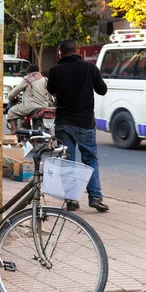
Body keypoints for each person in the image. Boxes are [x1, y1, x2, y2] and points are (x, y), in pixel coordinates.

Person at [47, 39, 109, 212]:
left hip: (63, 123)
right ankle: (95, 197)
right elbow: (102, 90)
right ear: (78, 50)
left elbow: (51, 90)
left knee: (68, 161)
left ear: (60, 52)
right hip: (85, 123)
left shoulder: (55, 71)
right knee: (90, 159)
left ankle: (72, 200)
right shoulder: (89, 68)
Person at [6, 64, 51, 132]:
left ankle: (14, 133)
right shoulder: (45, 79)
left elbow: (17, 90)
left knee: (11, 112)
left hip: (31, 107)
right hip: (44, 106)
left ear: (29, 72)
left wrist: (9, 96)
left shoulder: (28, 79)